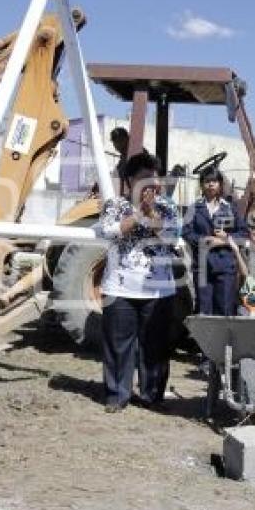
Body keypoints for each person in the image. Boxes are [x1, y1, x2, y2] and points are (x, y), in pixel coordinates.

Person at [93, 152, 180, 413]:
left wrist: (151, 213)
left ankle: (152, 395)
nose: (151, 184)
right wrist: (137, 214)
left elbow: (170, 236)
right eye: (144, 178)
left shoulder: (167, 207)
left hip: (158, 290)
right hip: (119, 287)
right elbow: (109, 231)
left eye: (154, 179)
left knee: (155, 348)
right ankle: (117, 395)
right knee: (118, 346)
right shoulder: (115, 206)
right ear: (130, 180)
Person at [181, 166, 247, 317]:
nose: (211, 184)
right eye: (207, 181)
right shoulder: (194, 208)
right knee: (204, 311)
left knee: (225, 309)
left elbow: (243, 233)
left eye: (214, 181)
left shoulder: (230, 208)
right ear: (202, 185)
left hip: (225, 268)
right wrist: (203, 239)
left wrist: (223, 241)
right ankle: (204, 341)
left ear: (220, 184)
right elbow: (186, 231)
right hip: (203, 267)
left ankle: (224, 342)